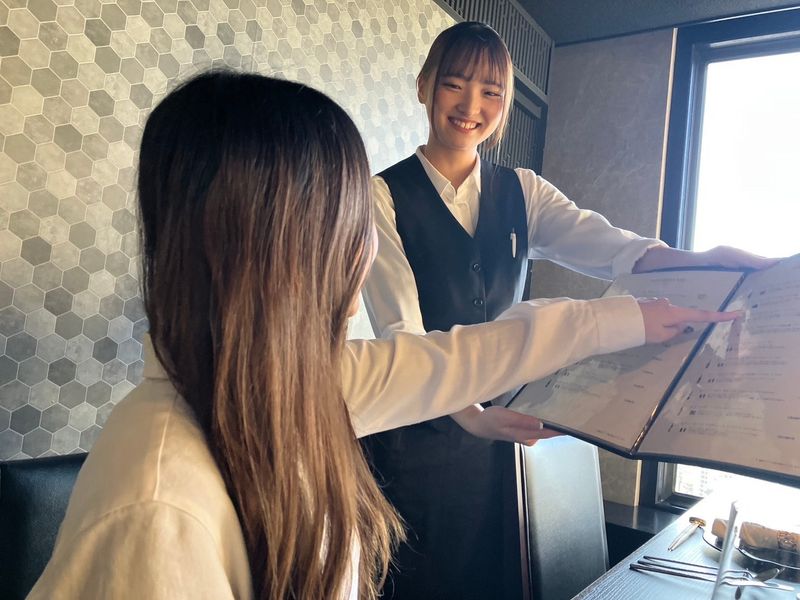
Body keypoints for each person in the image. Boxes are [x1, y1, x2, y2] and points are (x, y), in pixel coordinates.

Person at [28, 70, 740, 600]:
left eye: (492, 92)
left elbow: (465, 353)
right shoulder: (158, 508)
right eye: (348, 219)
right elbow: (428, 347)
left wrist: (648, 304)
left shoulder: (297, 383)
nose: (366, 248)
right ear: (276, 247)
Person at [361, 21, 775, 600]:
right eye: (454, 84)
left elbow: (614, 249)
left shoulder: (522, 191)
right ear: (424, 86)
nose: (471, 106)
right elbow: (400, 334)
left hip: (501, 444)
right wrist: (471, 415)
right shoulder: (378, 196)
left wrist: (701, 259)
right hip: (415, 442)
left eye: (491, 92)